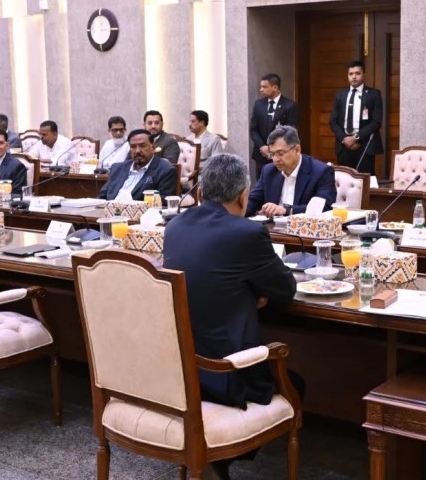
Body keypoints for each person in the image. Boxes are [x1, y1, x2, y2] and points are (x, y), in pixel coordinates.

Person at [163, 153, 298, 479]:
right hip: (227, 375)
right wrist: (252, 291)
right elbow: (285, 289)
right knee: (297, 384)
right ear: (242, 196)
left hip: (180, 372)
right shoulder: (246, 232)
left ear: (201, 192)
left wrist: (244, 290)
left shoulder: (175, 226)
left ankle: (213, 456)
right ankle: (220, 455)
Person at [246, 126, 335, 218]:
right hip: (271, 226)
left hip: (303, 226)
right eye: (272, 154)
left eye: (280, 153)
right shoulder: (268, 171)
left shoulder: (321, 172)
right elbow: (253, 201)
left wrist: (287, 210)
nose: (275, 159)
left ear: (297, 150)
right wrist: (237, 209)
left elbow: (325, 207)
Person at [328, 60, 383, 174]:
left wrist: (356, 138)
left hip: (364, 145)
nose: (354, 77)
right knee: (344, 179)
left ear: (363, 75)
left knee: (364, 180)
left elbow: (376, 121)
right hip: (344, 146)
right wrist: (345, 139)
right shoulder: (340, 95)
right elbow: (333, 121)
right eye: (351, 74)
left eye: (357, 73)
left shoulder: (373, 94)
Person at [97, 129, 177, 201]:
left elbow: (163, 203)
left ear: (153, 147)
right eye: (133, 147)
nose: (137, 151)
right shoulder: (117, 168)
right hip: (109, 211)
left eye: (142, 146)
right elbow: (101, 198)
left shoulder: (165, 171)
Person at [249, 73, 299, 177]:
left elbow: (290, 131)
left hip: (281, 156)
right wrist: (262, 146)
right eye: (261, 86)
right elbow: (253, 129)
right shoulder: (258, 104)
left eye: (264, 87)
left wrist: (272, 148)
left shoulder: (290, 105)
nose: (261, 90)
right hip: (261, 156)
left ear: (275, 87)